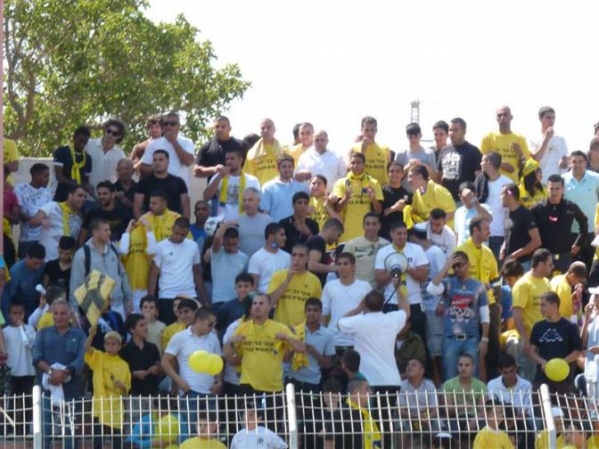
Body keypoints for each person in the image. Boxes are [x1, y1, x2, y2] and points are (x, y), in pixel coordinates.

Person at [338, 290, 409, 446]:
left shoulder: (359, 321)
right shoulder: (392, 319)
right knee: (386, 421)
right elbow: (406, 310)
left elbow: (340, 322)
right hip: (391, 380)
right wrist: (399, 289)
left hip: (368, 382)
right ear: (382, 304)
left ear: (366, 304)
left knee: (368, 420)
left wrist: (358, 308)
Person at [224, 293, 305, 394]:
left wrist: (287, 338)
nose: (257, 306)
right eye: (254, 303)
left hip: (273, 387)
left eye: (261, 303)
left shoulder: (280, 328)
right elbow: (227, 355)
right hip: (248, 385)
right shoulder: (242, 328)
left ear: (269, 307)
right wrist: (231, 341)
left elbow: (302, 348)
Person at [32, 299, 86, 449]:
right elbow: (36, 357)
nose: (59, 317)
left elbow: (83, 358)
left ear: (70, 315)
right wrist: (51, 372)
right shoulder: (42, 333)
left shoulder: (79, 335)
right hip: (46, 390)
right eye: (56, 313)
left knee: (71, 433)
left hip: (72, 389)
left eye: (63, 313)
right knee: (44, 431)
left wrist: (65, 373)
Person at [427, 252, 490, 380]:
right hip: (450, 339)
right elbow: (431, 289)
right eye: (454, 266)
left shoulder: (478, 286)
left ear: (468, 265)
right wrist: (446, 267)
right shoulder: (447, 283)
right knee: (450, 379)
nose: (456, 269)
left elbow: (485, 314)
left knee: (472, 380)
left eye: (460, 265)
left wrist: (484, 339)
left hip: (472, 338)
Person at [455, 216, 502, 379]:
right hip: (468, 307)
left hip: (489, 305)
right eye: (486, 228)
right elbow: (453, 279)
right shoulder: (461, 252)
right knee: (468, 349)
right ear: (475, 230)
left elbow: (496, 280)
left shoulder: (488, 252)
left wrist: (497, 302)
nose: (490, 231)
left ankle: (494, 384)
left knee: (494, 349)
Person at [375, 220, 428, 339]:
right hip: (392, 301)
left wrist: (407, 267)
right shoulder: (383, 252)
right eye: (399, 233)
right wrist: (394, 270)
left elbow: (423, 277)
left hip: (414, 301)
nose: (402, 236)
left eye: (405, 233)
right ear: (391, 234)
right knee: (390, 338)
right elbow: (379, 280)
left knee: (418, 337)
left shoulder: (416, 249)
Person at [70, 219, 132, 319]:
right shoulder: (82, 254)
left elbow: (122, 274)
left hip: (118, 306)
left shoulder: (113, 249)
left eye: (109, 229)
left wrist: (128, 298)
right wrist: (76, 313)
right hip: (96, 309)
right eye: (106, 230)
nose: (109, 232)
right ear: (95, 232)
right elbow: (75, 284)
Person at [149, 217, 207, 324]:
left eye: (183, 235)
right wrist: (151, 301)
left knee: (190, 329)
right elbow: (153, 275)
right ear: (172, 229)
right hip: (167, 296)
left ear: (188, 233)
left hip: (189, 295)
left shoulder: (193, 246)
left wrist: (205, 300)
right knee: (168, 330)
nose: (179, 237)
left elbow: (197, 273)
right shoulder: (161, 247)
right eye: (176, 233)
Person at [84, 326, 131, 449]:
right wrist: (91, 335)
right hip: (99, 405)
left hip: (115, 407)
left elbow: (127, 387)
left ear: (119, 346)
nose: (110, 347)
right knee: (98, 440)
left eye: (113, 344)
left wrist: (122, 386)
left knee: (116, 440)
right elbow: (87, 348)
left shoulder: (124, 365)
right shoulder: (99, 357)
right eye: (107, 344)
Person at [531, 174, 588, 274]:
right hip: (544, 257)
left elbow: (584, 222)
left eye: (557, 189)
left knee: (563, 282)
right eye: (551, 189)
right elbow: (527, 227)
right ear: (547, 188)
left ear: (563, 189)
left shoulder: (570, 206)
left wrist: (578, 243)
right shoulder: (538, 208)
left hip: (565, 256)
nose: (554, 192)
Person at [512, 248, 554, 382]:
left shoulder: (546, 282)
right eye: (549, 264)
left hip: (545, 339)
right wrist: (525, 339)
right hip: (529, 341)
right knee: (527, 377)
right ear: (541, 264)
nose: (552, 267)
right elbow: (517, 314)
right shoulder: (523, 284)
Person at [161, 308, 222, 398]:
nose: (212, 328)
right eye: (210, 324)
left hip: (210, 392)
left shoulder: (213, 338)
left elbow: (218, 362)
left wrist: (218, 382)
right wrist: (179, 381)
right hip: (189, 391)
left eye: (214, 325)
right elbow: (165, 362)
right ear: (199, 321)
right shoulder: (180, 337)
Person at [529, 291, 582, 393]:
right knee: (537, 402)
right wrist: (544, 363)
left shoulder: (570, 326)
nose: (540, 308)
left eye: (543, 305)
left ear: (554, 306)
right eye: (540, 305)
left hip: (564, 379)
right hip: (541, 377)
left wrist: (558, 364)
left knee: (564, 403)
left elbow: (577, 352)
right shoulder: (538, 326)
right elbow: (531, 352)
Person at [321, 252, 372, 351]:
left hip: (358, 341)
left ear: (354, 267)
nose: (342, 267)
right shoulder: (329, 286)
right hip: (334, 339)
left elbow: (370, 314)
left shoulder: (365, 286)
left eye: (345, 264)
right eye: (339, 264)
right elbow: (323, 314)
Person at [330, 151, 383, 242]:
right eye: (353, 163)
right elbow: (337, 210)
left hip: (366, 235)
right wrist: (345, 199)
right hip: (345, 235)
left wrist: (373, 199)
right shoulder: (341, 183)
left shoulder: (373, 183)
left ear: (364, 165)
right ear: (349, 164)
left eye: (358, 163)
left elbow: (378, 211)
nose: (355, 165)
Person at [287, 298, 335, 392]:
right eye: (309, 310)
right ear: (304, 312)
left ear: (320, 312)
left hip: (313, 382)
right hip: (293, 379)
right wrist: (293, 345)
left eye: (315, 310)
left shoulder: (328, 335)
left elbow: (327, 364)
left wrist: (314, 352)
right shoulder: (295, 331)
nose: (311, 313)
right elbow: (286, 359)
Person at [268, 243, 322, 327]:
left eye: (301, 256)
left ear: (307, 259)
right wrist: (287, 280)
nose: (297, 259)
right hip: (281, 328)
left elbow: (317, 309)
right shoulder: (278, 276)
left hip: (304, 329)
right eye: (294, 255)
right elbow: (270, 302)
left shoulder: (314, 281)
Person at [29, 184, 86, 262]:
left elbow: (75, 243)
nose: (83, 199)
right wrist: (41, 221)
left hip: (63, 264)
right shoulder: (52, 206)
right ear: (70, 196)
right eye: (80, 195)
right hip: (45, 261)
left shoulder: (78, 220)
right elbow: (32, 222)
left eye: (85, 197)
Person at [3, 302, 36, 434]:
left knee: (27, 403)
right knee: (11, 403)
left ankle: (25, 430)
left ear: (24, 314)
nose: (17, 316)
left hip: (27, 372)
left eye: (20, 313)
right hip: (11, 372)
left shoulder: (29, 328)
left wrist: (23, 329)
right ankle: (9, 430)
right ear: (9, 314)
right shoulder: (5, 332)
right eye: (14, 313)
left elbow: (32, 344)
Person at [562, 150, 599, 269]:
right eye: (574, 161)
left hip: (591, 232)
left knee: (591, 269)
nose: (577, 165)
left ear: (586, 162)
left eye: (580, 161)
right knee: (572, 270)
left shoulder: (596, 178)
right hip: (570, 232)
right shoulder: (562, 180)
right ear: (569, 163)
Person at [119, 314, 161, 416]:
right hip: (134, 393)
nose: (145, 327)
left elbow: (159, 366)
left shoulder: (152, 347)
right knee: (135, 423)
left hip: (152, 392)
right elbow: (119, 373)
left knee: (152, 422)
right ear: (132, 329)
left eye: (146, 324)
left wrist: (156, 369)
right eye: (141, 325)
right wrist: (133, 374)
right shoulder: (124, 350)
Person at [138, 111, 195, 187]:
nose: (169, 126)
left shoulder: (187, 142)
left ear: (179, 126)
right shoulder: (154, 144)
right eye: (166, 124)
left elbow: (188, 162)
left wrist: (174, 141)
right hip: (158, 187)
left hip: (179, 188)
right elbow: (143, 167)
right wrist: (158, 169)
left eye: (172, 124)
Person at [203, 146, 260, 221]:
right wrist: (219, 176)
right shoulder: (218, 176)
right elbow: (206, 196)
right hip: (223, 222)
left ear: (240, 160)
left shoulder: (252, 180)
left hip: (245, 221)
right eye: (227, 159)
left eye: (232, 159)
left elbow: (258, 203)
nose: (229, 161)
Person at [475, 151, 513, 260]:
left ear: (488, 162)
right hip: (481, 233)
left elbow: (511, 208)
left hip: (499, 234)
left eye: (482, 161)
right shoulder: (480, 180)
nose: (480, 164)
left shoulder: (507, 183)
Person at [480, 106, 530, 184]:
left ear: (511, 117)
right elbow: (482, 164)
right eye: (499, 115)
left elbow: (525, 167)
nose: (502, 118)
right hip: (493, 183)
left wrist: (520, 154)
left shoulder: (520, 138)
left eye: (505, 115)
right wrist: (501, 163)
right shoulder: (488, 138)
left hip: (513, 184)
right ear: (496, 118)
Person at [134, 149, 190, 218]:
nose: (157, 163)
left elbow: (186, 208)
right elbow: (137, 208)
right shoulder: (143, 183)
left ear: (168, 162)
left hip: (174, 222)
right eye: (155, 160)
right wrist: (144, 223)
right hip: (150, 222)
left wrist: (184, 224)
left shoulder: (179, 182)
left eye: (161, 160)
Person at [436, 117, 482, 201]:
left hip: (464, 201)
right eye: (450, 130)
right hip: (445, 199)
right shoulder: (444, 150)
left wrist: (474, 198)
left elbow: (479, 178)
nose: (452, 133)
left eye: (455, 130)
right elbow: (438, 175)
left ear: (464, 131)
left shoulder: (473, 151)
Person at [441, 353, 487, 436]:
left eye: (467, 365)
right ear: (457, 367)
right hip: (455, 419)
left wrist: (475, 420)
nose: (463, 368)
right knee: (452, 430)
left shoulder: (481, 385)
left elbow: (483, 410)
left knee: (484, 428)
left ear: (473, 368)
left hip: (474, 418)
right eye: (460, 365)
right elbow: (447, 412)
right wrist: (460, 407)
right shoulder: (448, 384)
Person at [397, 358, 440, 442]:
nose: (409, 366)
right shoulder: (401, 385)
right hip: (408, 418)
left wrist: (427, 418)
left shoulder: (429, 385)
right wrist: (415, 417)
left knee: (439, 425)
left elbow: (435, 409)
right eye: (408, 365)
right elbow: (400, 411)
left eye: (413, 365)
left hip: (426, 417)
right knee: (401, 426)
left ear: (422, 371)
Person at [14, 163, 52, 258]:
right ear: (36, 176)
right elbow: (20, 213)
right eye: (45, 176)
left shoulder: (47, 192)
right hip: (27, 239)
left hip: (44, 238)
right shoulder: (21, 189)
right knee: (26, 263)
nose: (48, 179)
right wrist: (37, 220)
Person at [500, 183, 542, 270]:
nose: (500, 198)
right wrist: (503, 248)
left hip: (523, 264)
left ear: (509, 195)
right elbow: (509, 234)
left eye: (502, 194)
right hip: (508, 264)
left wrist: (514, 255)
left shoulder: (525, 214)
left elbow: (536, 241)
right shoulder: (507, 213)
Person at [343, 212, 390, 288]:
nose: (371, 227)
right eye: (368, 224)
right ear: (363, 226)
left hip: (381, 291)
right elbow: (342, 268)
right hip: (358, 290)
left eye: (374, 224)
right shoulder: (352, 244)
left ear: (379, 226)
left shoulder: (387, 244)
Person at [209, 222, 249, 310]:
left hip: (237, 300)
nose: (231, 247)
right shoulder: (217, 253)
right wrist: (228, 224)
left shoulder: (244, 258)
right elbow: (217, 237)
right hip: (219, 300)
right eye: (228, 244)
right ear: (223, 241)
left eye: (234, 244)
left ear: (238, 241)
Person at [2, 243, 45, 320]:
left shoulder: (43, 266)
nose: (38, 267)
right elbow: (8, 296)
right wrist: (8, 319)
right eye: (35, 263)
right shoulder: (16, 271)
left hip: (37, 305)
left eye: (40, 263)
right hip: (21, 308)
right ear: (27, 257)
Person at [260, 153, 309, 221]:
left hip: (296, 226)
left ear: (293, 168)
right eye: (284, 166)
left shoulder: (300, 187)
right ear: (277, 168)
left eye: (290, 166)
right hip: (276, 226)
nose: (287, 169)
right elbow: (264, 212)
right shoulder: (268, 187)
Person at [85, 118, 127, 198]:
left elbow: (121, 176)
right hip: (85, 195)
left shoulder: (121, 155)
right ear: (105, 130)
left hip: (106, 199)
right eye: (109, 131)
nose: (110, 135)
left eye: (114, 133)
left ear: (119, 136)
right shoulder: (89, 144)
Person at [407, 164, 456, 229]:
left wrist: (435, 225)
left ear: (420, 177)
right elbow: (415, 212)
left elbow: (452, 212)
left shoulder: (437, 190)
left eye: (410, 176)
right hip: (428, 232)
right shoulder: (417, 193)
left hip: (444, 232)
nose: (408, 180)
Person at [529, 106, 569, 183]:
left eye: (553, 118)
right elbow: (535, 159)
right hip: (541, 182)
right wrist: (546, 138)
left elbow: (566, 159)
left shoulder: (560, 139)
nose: (551, 121)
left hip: (557, 182)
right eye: (548, 118)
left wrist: (564, 161)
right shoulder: (533, 139)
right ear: (540, 118)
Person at [52, 126, 92, 201]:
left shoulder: (88, 158)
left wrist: (87, 186)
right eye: (80, 141)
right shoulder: (62, 152)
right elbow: (59, 176)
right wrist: (74, 184)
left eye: (85, 142)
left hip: (78, 198)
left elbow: (86, 180)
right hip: (61, 195)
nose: (82, 145)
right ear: (74, 138)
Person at [248, 223, 291, 293]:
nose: (285, 238)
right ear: (271, 237)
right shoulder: (256, 257)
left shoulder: (287, 257)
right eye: (281, 235)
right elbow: (253, 286)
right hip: (264, 296)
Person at [487, 353, 533, 419]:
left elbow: (528, 410)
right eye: (505, 372)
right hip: (500, 420)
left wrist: (518, 417)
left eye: (511, 371)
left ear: (516, 368)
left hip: (522, 420)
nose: (509, 375)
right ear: (500, 371)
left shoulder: (526, 385)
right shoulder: (492, 385)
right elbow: (492, 408)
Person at [349, 116, 392, 186]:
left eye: (372, 130)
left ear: (376, 130)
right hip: (362, 188)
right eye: (366, 130)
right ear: (361, 130)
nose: (369, 133)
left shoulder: (385, 148)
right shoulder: (354, 148)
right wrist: (362, 151)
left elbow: (389, 170)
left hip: (381, 188)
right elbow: (350, 170)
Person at [396, 122, 437, 191]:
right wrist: (408, 166)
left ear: (421, 135)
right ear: (407, 137)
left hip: (424, 193)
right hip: (405, 192)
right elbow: (395, 177)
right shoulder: (401, 154)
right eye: (411, 137)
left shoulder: (429, 153)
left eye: (416, 136)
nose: (413, 139)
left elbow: (435, 178)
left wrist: (424, 166)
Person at [243, 118, 285, 185]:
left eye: (269, 127)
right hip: (259, 189)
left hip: (281, 188)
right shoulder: (252, 153)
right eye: (262, 128)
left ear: (274, 130)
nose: (266, 130)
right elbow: (248, 177)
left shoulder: (284, 150)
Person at [236, 187, 274, 258]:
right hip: (242, 263)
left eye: (250, 200)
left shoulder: (268, 221)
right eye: (244, 200)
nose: (246, 203)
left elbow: (275, 244)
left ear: (259, 201)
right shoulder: (236, 222)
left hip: (263, 262)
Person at [306, 218, 344, 286]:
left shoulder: (316, 240)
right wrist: (336, 268)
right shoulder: (318, 241)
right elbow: (311, 265)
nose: (337, 239)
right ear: (333, 229)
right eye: (338, 235)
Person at [453, 181, 492, 246]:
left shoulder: (484, 207)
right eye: (464, 198)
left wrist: (474, 201)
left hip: (479, 248)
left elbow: (489, 219)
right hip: (462, 249)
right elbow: (457, 234)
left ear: (475, 194)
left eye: (469, 196)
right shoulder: (458, 212)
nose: (467, 199)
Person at [380, 161, 411, 241]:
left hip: (402, 237)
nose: (395, 174)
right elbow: (378, 214)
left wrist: (405, 210)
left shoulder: (407, 194)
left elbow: (411, 219)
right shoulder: (381, 192)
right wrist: (394, 208)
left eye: (398, 171)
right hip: (384, 235)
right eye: (391, 171)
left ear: (402, 173)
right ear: (387, 173)